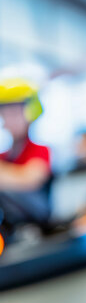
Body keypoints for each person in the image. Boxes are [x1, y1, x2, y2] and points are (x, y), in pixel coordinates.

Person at [0, 78, 52, 240]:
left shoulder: (40, 150)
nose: (9, 118)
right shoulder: (4, 156)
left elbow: (30, 180)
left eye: (14, 112)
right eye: (5, 113)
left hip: (37, 220)